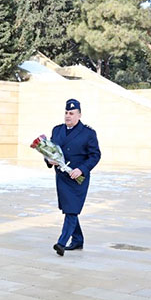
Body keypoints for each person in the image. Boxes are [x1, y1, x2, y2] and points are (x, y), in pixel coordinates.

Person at [45, 99, 101, 256]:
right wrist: (48, 160)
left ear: (79, 115)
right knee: (69, 209)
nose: (68, 116)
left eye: (72, 113)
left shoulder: (88, 133)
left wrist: (82, 169)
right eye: (66, 113)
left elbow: (95, 155)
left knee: (71, 211)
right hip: (62, 177)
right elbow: (49, 151)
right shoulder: (57, 130)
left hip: (77, 178)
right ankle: (77, 240)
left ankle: (61, 243)